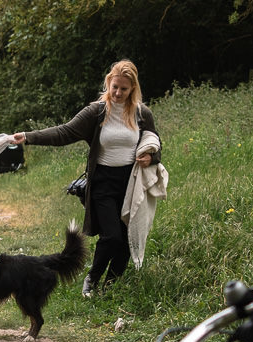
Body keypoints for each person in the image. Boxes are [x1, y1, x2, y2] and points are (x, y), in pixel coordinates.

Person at [14, 59, 161, 297]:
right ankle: (92, 279)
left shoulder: (143, 114)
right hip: (102, 182)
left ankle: (110, 286)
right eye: (114, 87)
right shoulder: (97, 111)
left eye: (124, 89)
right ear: (108, 83)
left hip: (131, 183)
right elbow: (65, 132)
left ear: (133, 88)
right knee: (111, 236)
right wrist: (29, 137)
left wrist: (151, 159)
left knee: (126, 241)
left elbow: (156, 144)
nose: (118, 93)